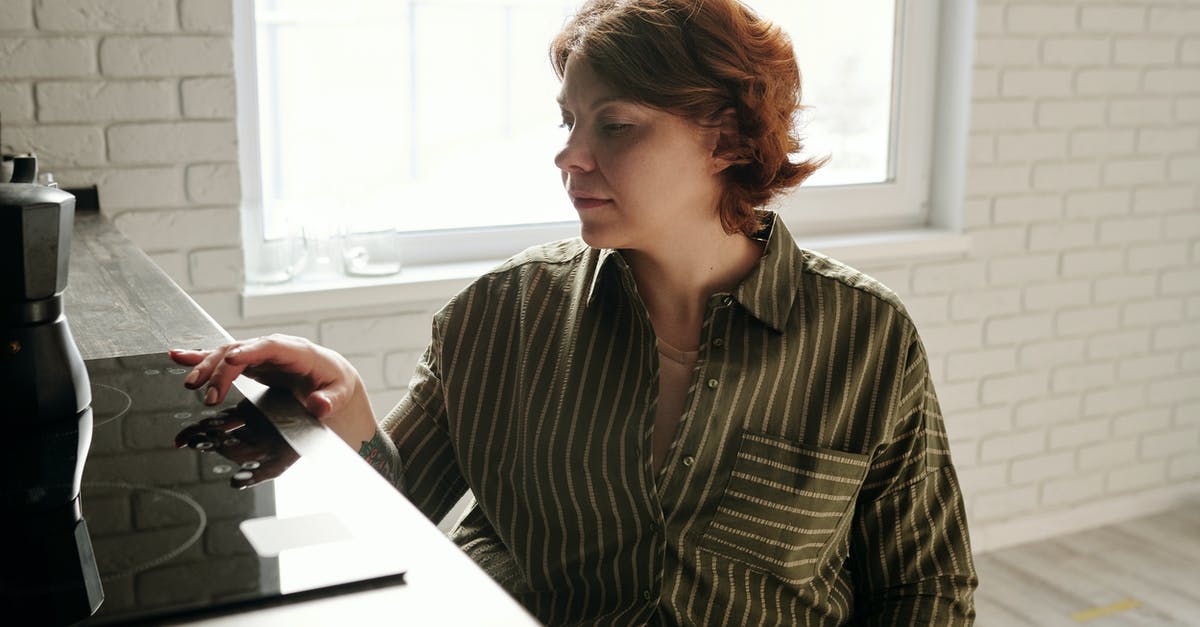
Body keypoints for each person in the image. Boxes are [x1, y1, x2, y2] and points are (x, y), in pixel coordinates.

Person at [172, 0, 978, 624]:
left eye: (615, 125)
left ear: (727, 138)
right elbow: (395, 517)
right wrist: (345, 403)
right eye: (569, 121)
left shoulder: (867, 338)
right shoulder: (500, 317)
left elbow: (925, 585)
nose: (569, 155)